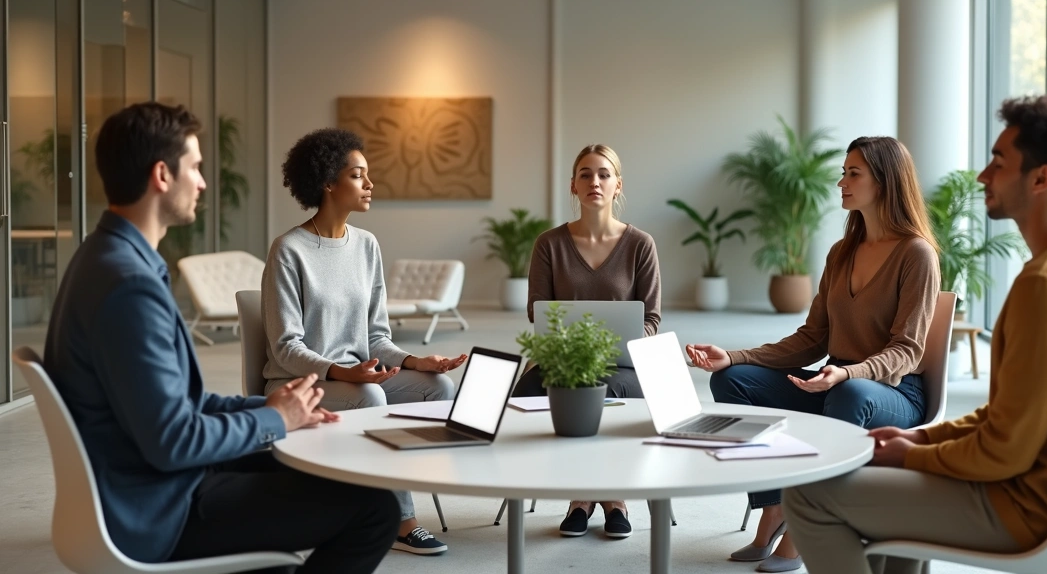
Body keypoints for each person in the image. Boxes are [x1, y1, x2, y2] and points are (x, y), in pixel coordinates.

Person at [42, 102, 400, 573]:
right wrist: (275, 421)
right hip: (159, 507)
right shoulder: (128, 286)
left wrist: (274, 411)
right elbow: (175, 440)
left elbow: (179, 405)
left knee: (319, 464)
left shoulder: (104, 257)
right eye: (195, 167)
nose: (204, 182)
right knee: (373, 510)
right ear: (161, 176)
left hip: (150, 481)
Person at [780, 96, 1047, 574]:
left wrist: (917, 457)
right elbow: (1006, 418)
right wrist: (919, 442)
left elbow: (1006, 449)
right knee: (882, 496)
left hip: (1024, 507)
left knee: (807, 497)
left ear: (1041, 178)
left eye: (999, 162)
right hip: (1046, 494)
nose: (983, 176)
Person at [687, 136, 940, 573]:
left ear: (884, 181)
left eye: (852, 173)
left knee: (852, 394)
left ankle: (807, 525)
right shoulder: (841, 253)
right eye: (843, 172)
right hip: (833, 381)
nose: (841, 181)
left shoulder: (916, 255)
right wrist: (734, 356)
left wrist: (847, 375)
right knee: (731, 381)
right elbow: (812, 338)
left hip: (891, 392)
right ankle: (774, 506)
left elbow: (908, 350)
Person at [263, 127, 466, 556]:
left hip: (358, 377)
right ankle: (401, 520)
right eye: (358, 176)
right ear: (328, 183)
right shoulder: (289, 250)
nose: (370, 185)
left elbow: (376, 336)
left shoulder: (367, 245)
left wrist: (414, 361)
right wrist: (340, 371)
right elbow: (284, 347)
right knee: (370, 397)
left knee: (438, 389)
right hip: (301, 384)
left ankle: (386, 489)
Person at [513, 143, 662, 540]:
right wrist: (576, 352)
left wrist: (618, 345)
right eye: (585, 174)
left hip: (625, 363)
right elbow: (537, 311)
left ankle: (598, 498)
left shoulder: (640, 244)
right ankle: (598, 497)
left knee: (605, 387)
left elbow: (651, 319)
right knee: (527, 392)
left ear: (617, 185)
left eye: (603, 174)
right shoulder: (549, 244)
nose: (594, 181)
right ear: (573, 187)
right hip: (563, 360)